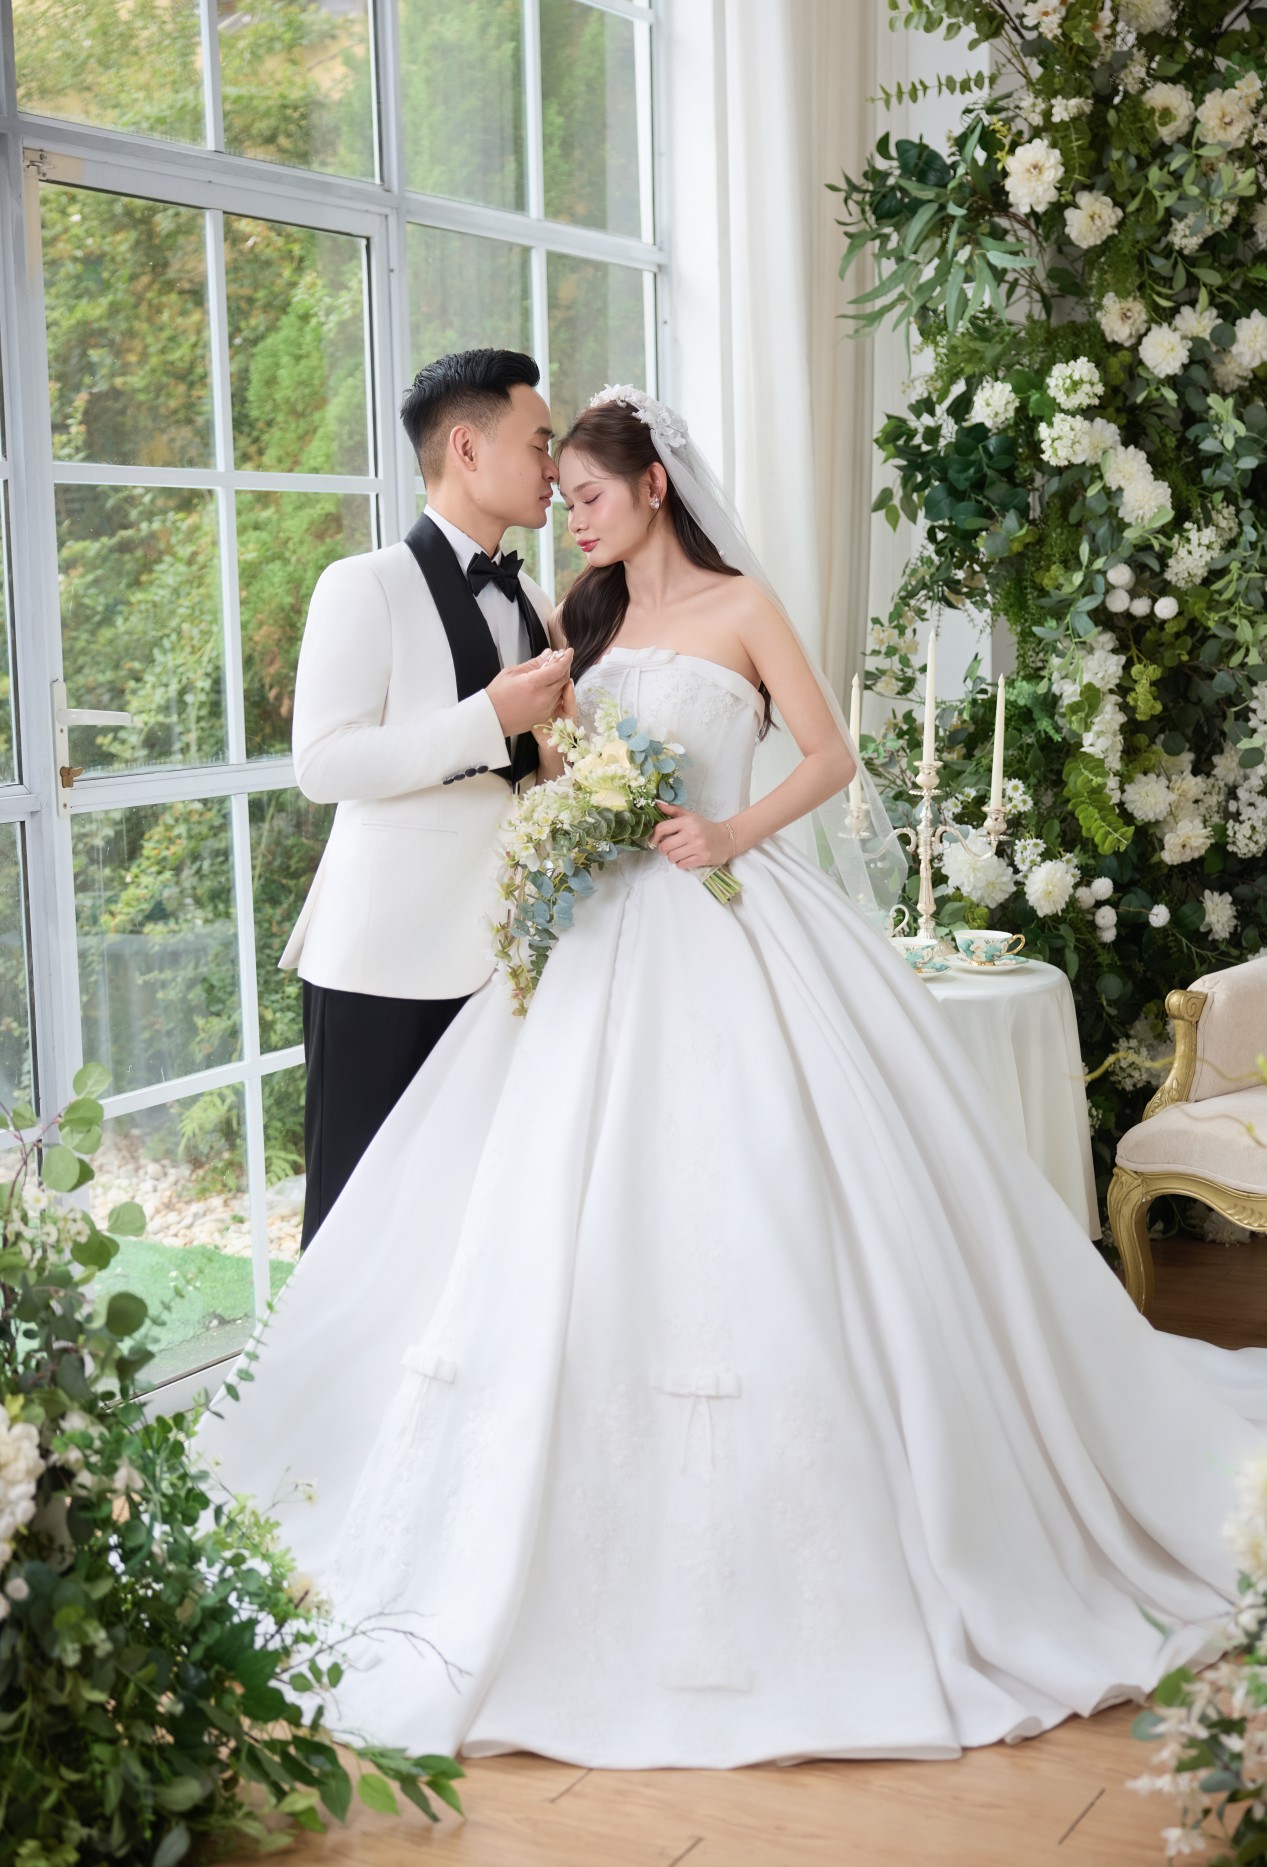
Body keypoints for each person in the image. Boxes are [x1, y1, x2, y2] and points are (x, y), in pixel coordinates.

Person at [201, 386, 1267, 1772]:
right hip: (595, 943)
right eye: (560, 495)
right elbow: (545, 761)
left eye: (588, 494)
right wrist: (576, 811)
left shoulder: (742, 605)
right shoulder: (575, 619)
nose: (572, 516)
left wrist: (726, 832)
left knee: (759, 1195)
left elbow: (827, 757)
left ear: (653, 484)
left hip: (726, 917)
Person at [280, 348, 574, 1246]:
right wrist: (487, 719)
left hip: (506, 963)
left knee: (468, 1233)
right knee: (354, 1228)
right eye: (540, 442)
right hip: (383, 962)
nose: (555, 467)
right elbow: (321, 763)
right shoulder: (361, 583)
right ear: (467, 449)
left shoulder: (532, 594)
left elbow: (534, 774)